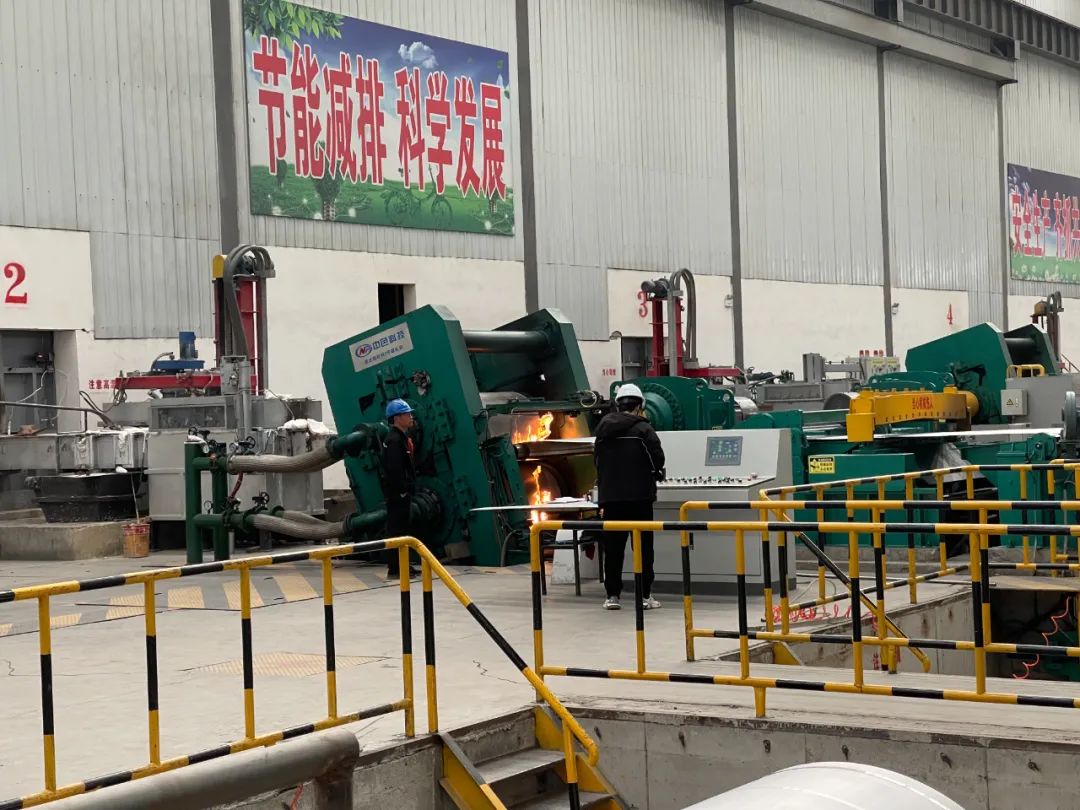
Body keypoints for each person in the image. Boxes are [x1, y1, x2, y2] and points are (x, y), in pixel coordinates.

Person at [593, 383, 665, 610]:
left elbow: (597, 462)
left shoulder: (602, 431)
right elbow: (657, 460)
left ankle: (612, 596)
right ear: (640, 405)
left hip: (611, 498)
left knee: (613, 548)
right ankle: (645, 596)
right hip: (640, 498)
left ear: (618, 405)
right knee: (643, 548)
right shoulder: (643, 430)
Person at [381, 399, 418, 578]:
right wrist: (402, 490)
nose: (411, 417)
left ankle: (403, 565)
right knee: (397, 530)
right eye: (407, 414)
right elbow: (395, 469)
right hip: (397, 494)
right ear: (397, 418)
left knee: (402, 530)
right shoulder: (394, 440)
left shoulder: (400, 438)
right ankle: (396, 568)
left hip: (400, 493)